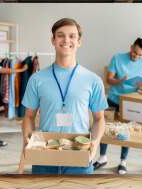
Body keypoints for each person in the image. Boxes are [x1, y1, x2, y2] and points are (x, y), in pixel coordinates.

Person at [22, 18, 108, 174]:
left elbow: (99, 119)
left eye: (72, 36)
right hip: (44, 158)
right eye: (60, 35)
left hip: (79, 159)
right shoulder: (36, 79)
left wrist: (95, 142)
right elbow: (28, 116)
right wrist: (28, 139)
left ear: (79, 41)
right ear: (53, 40)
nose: (66, 40)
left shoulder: (93, 80)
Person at [93, 38, 142, 175]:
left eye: (140, 55)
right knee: (105, 128)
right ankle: (102, 158)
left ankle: (123, 162)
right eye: (135, 53)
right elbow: (109, 79)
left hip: (131, 103)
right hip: (113, 99)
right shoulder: (117, 58)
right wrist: (120, 81)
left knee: (126, 132)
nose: (136, 56)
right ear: (131, 47)